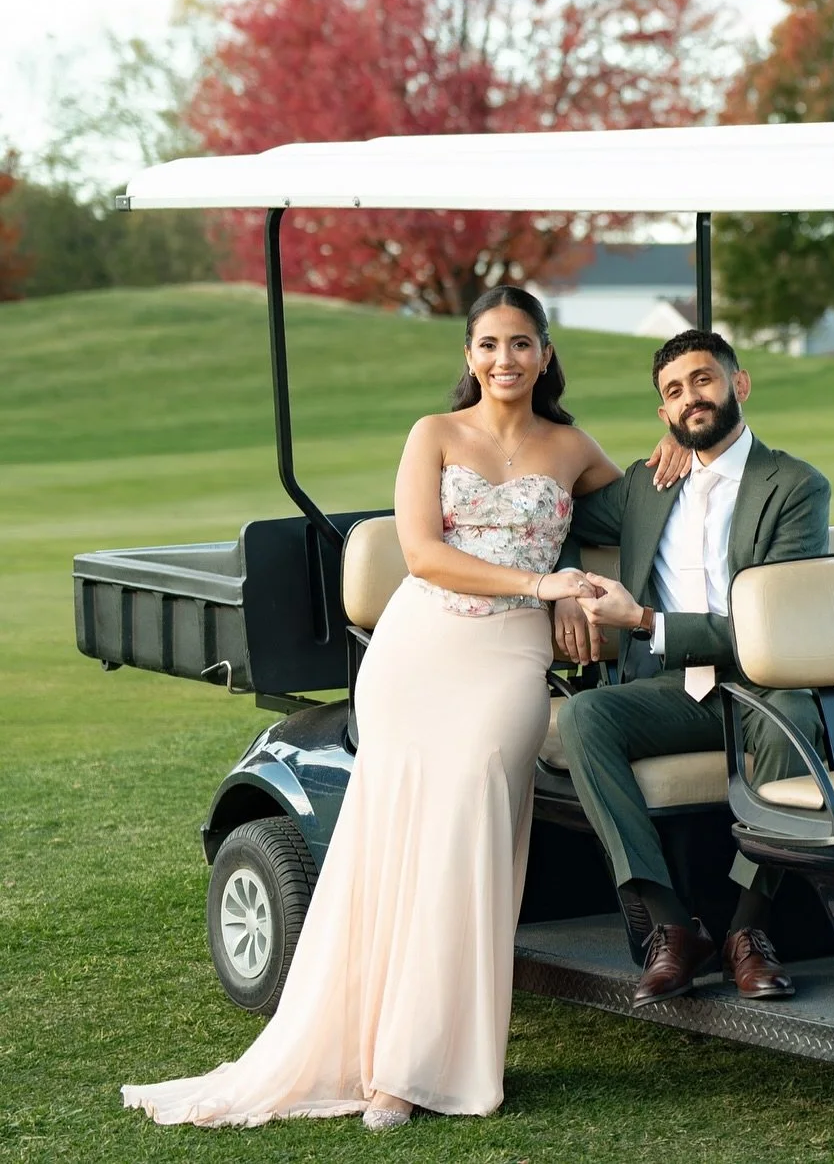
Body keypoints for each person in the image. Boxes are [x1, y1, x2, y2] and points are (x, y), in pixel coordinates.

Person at [122, 287, 682, 1133]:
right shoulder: (434, 434)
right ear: (468, 354)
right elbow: (422, 552)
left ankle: (423, 1062)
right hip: (419, 650)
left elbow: (637, 501)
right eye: (490, 343)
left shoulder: (570, 445)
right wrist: (545, 581)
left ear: (545, 352)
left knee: (470, 837)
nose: (505, 359)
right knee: (395, 845)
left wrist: (671, 447)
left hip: (507, 660)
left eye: (522, 343)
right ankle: (377, 1056)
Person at [556, 328, 834, 1008]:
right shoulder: (646, 484)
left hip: (767, 680)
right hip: (676, 689)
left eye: (703, 380)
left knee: (794, 717)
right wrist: (563, 593)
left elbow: (771, 625)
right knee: (585, 714)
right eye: (674, 392)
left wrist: (644, 621)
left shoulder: (793, 484)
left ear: (739, 383)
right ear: (663, 414)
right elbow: (553, 512)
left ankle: (745, 930)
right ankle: (671, 926)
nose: (691, 398)